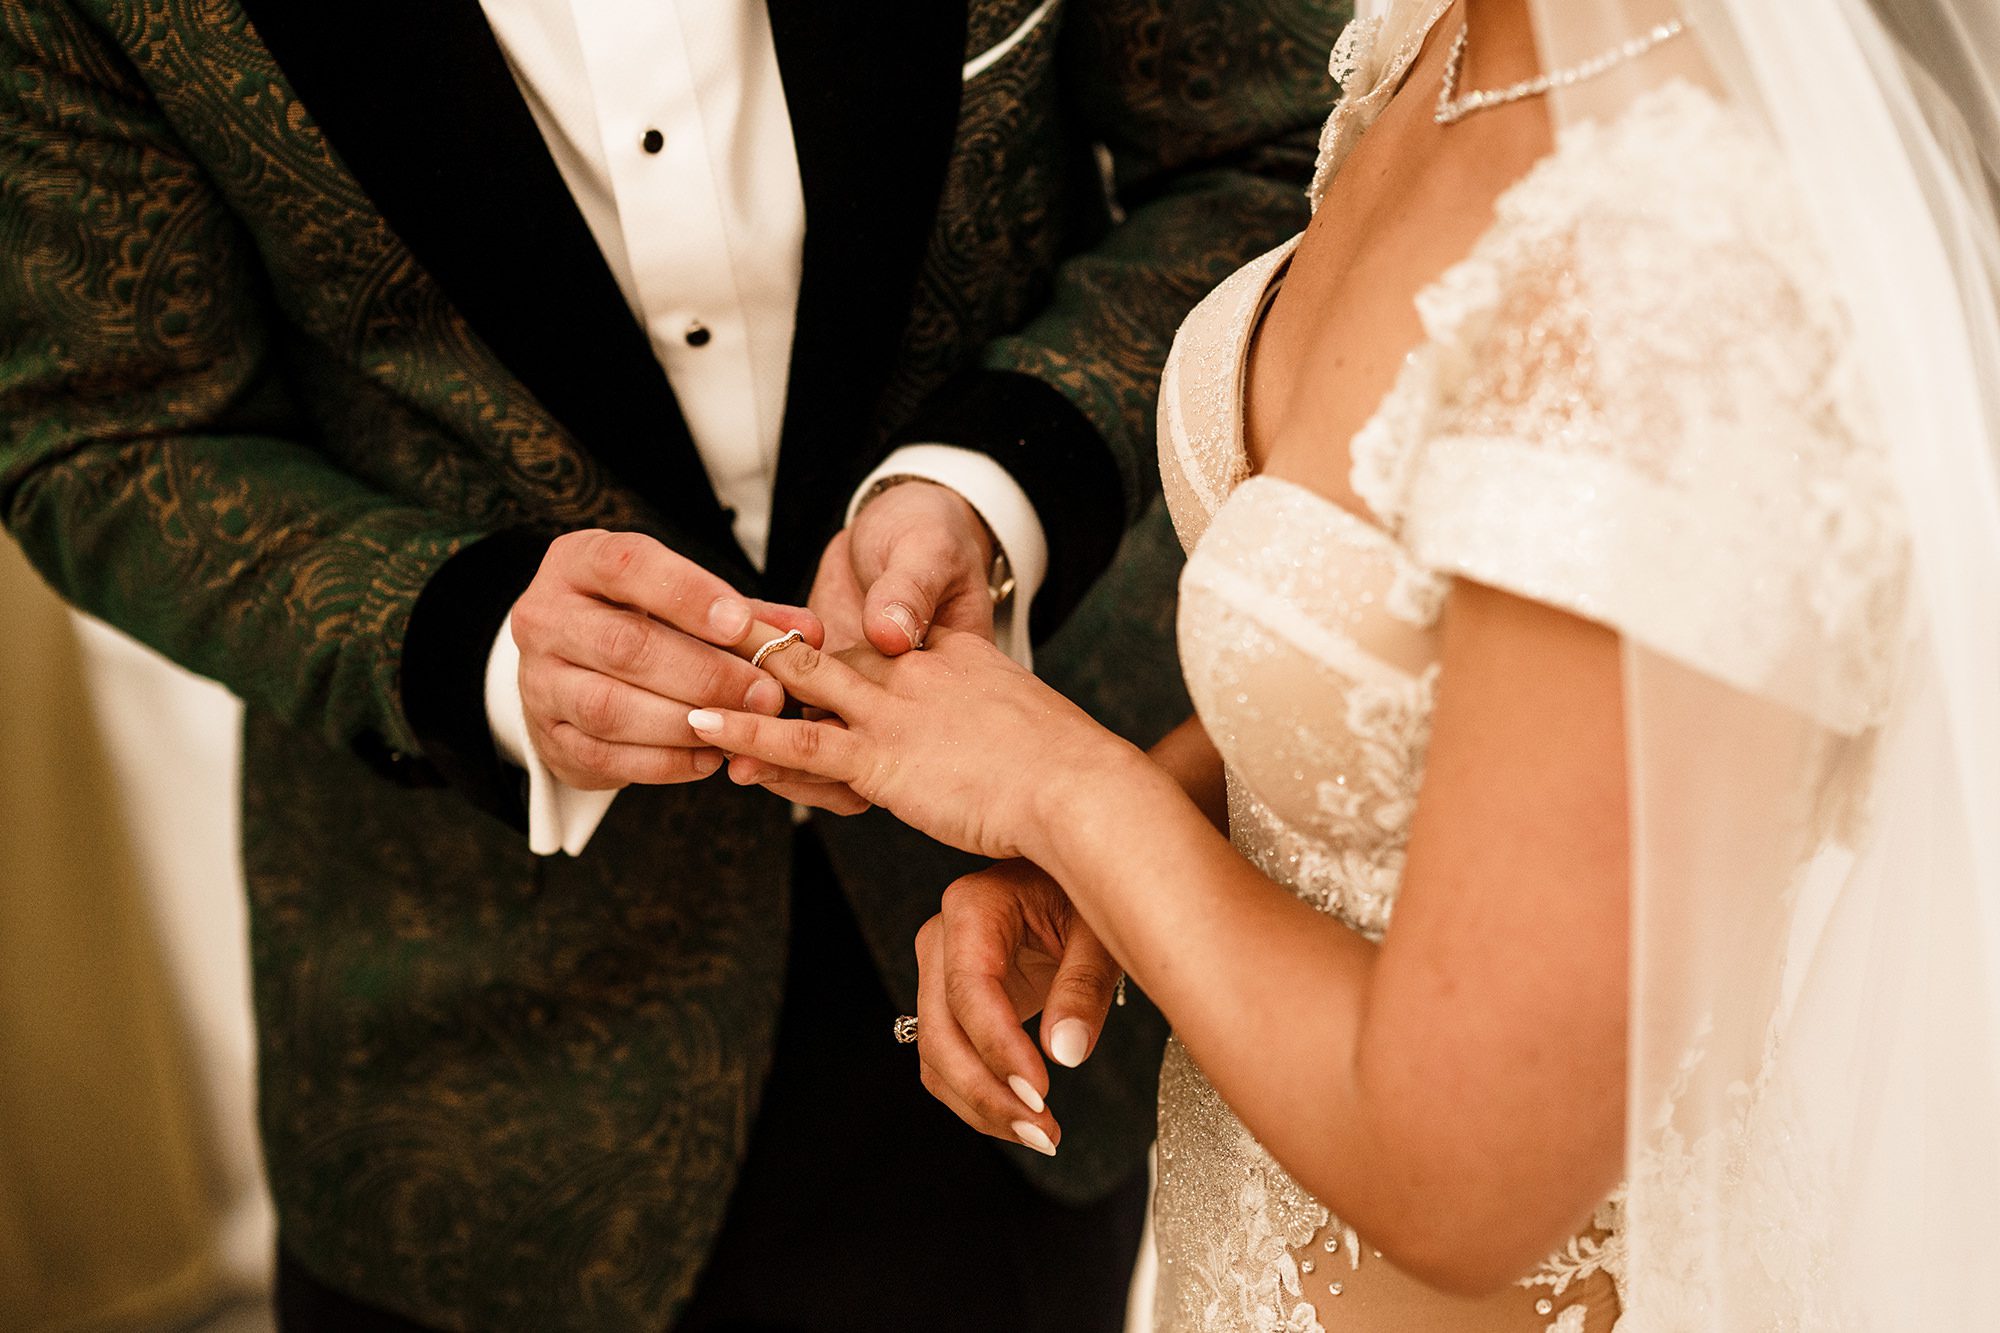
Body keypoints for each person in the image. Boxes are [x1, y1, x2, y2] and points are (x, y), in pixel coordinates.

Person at [0, 2, 1349, 1329]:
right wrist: (458, 636)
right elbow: (107, 428)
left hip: (1011, 952)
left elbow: (1288, 153)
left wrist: (1003, 478)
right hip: (467, 1060)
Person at [687, 0, 2000, 1328]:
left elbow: (1467, 1181)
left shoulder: (1681, 262)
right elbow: (1406, 689)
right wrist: (1133, 847)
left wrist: (1065, 792)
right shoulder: (1454, 39)